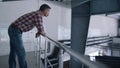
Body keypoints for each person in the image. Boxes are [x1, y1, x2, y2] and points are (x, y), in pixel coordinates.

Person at [8, 4, 51, 68]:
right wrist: (43, 33)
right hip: (15, 31)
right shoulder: (38, 14)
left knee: (13, 51)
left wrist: (39, 32)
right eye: (48, 11)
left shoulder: (37, 14)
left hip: (14, 29)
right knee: (21, 53)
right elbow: (41, 28)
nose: (49, 13)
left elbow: (39, 26)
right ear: (45, 10)